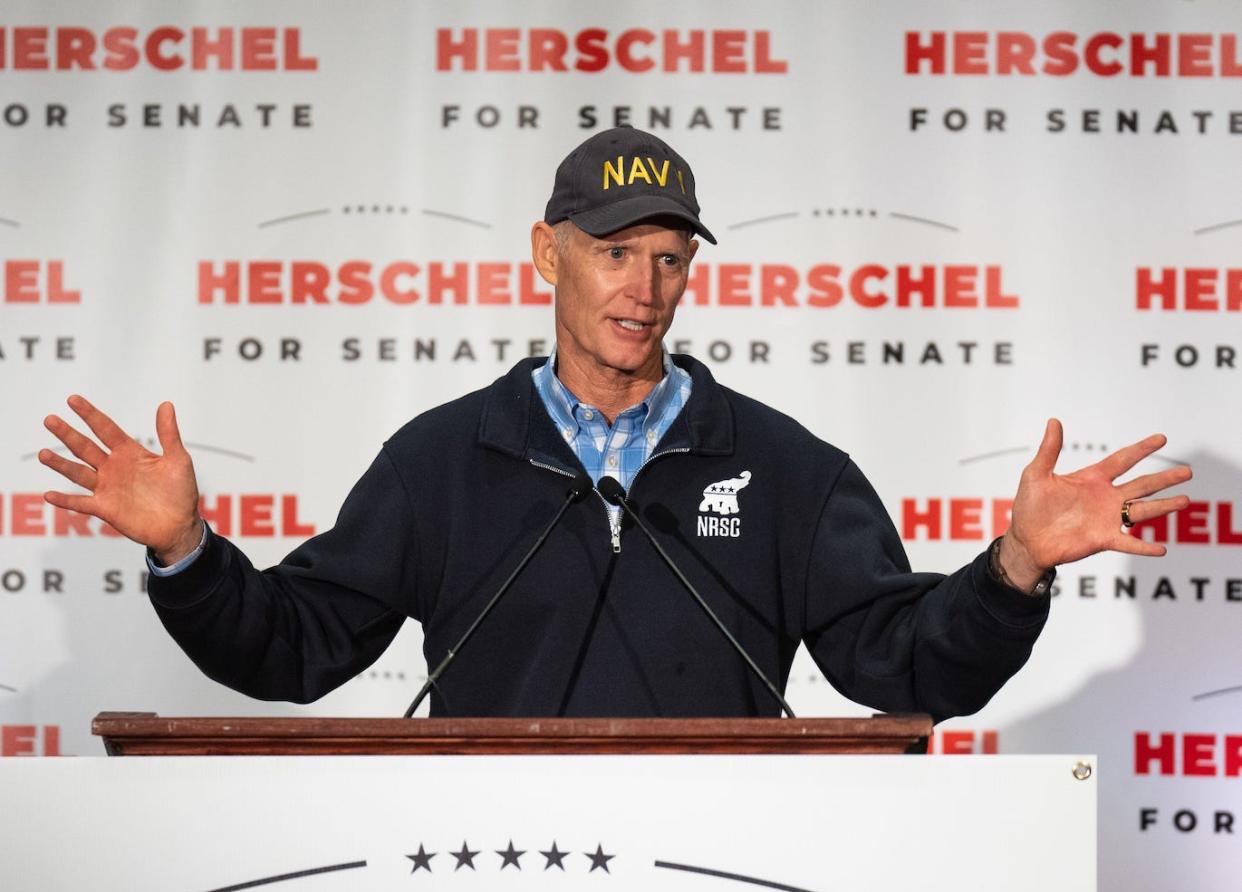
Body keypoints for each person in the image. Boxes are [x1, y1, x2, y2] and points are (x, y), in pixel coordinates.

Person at [38, 127, 1192, 720]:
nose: (642, 286)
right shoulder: (441, 462)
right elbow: (293, 647)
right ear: (548, 255)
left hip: (727, 883)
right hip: (483, 881)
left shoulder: (790, 470)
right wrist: (185, 554)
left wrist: (1015, 566)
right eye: (611, 251)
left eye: (667, 257)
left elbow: (902, 667)